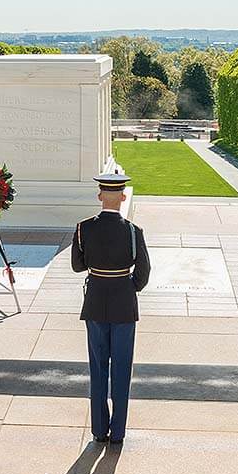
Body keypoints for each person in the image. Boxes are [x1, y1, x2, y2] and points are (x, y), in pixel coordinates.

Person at [71, 173, 151, 445]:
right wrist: (129, 286)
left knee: (98, 369)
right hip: (124, 303)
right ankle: (117, 432)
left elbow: (77, 266)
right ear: (123, 196)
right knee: (121, 368)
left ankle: (98, 430)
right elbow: (144, 271)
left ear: (99, 195)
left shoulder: (84, 228)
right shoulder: (132, 230)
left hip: (95, 302)